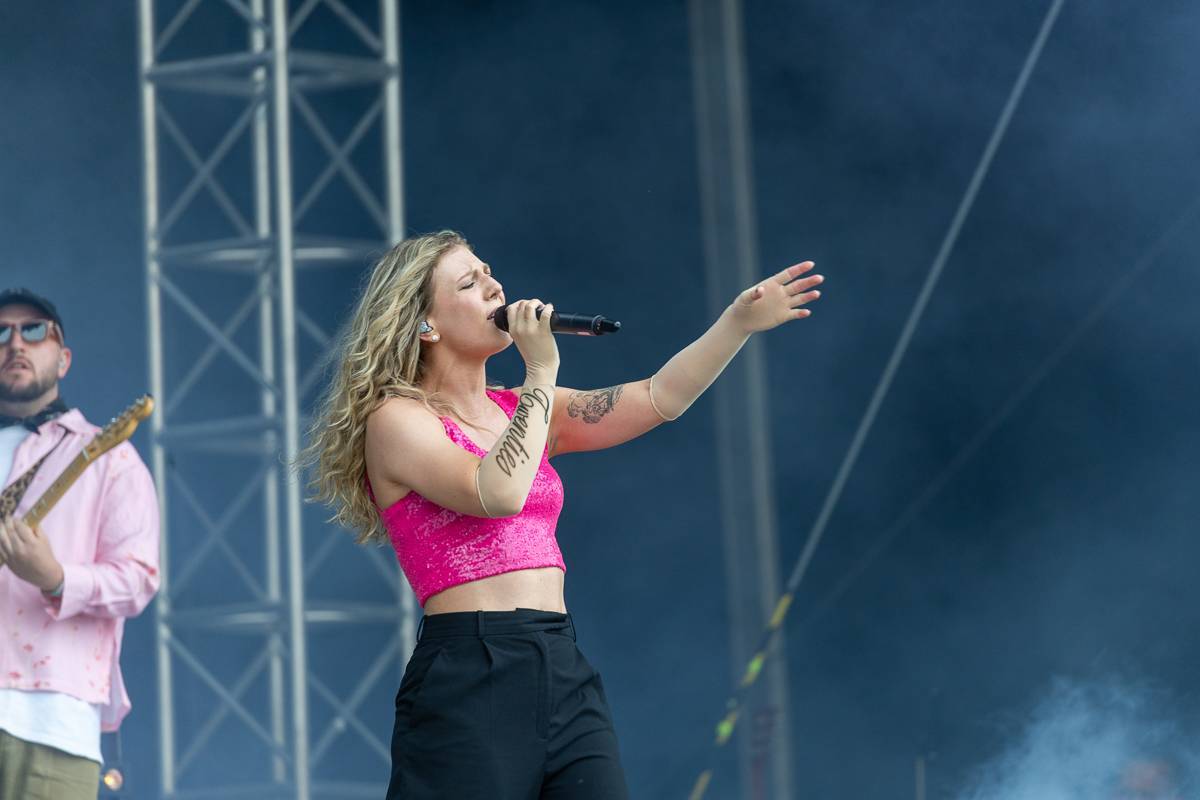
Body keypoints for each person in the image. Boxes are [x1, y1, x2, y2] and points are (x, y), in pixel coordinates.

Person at [301, 231, 823, 799]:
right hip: (471, 668)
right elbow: (496, 491)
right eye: (469, 282)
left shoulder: (518, 408)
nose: (495, 286)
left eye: (489, 271)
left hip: (558, 656)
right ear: (426, 325)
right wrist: (541, 375)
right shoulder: (397, 420)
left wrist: (735, 326)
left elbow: (658, 398)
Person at [0, 288, 160, 800]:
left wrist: (56, 577)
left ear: (64, 358)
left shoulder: (109, 458)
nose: (14, 343)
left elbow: (139, 579)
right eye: (0, 333)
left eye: (34, 331)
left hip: (48, 719)